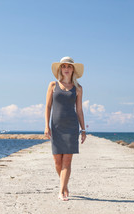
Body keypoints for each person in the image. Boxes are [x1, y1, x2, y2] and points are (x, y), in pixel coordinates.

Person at [44, 56, 87, 201]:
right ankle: (65, 184)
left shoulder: (78, 88)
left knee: (67, 161)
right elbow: (48, 107)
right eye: (63, 66)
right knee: (57, 161)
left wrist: (83, 129)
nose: (66, 69)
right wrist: (46, 126)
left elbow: (79, 110)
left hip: (71, 127)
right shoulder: (52, 85)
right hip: (56, 126)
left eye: (69, 66)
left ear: (73, 69)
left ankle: (61, 191)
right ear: (60, 69)